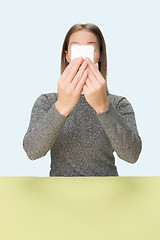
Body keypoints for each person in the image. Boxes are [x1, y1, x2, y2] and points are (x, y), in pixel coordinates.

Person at [23, 23, 142, 176]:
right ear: (67, 55)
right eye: (76, 48)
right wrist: (62, 106)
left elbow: (132, 155)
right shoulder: (47, 101)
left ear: (99, 55)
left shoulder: (119, 104)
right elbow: (32, 151)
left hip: (106, 193)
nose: (83, 57)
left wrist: (103, 107)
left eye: (90, 48)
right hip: (61, 194)